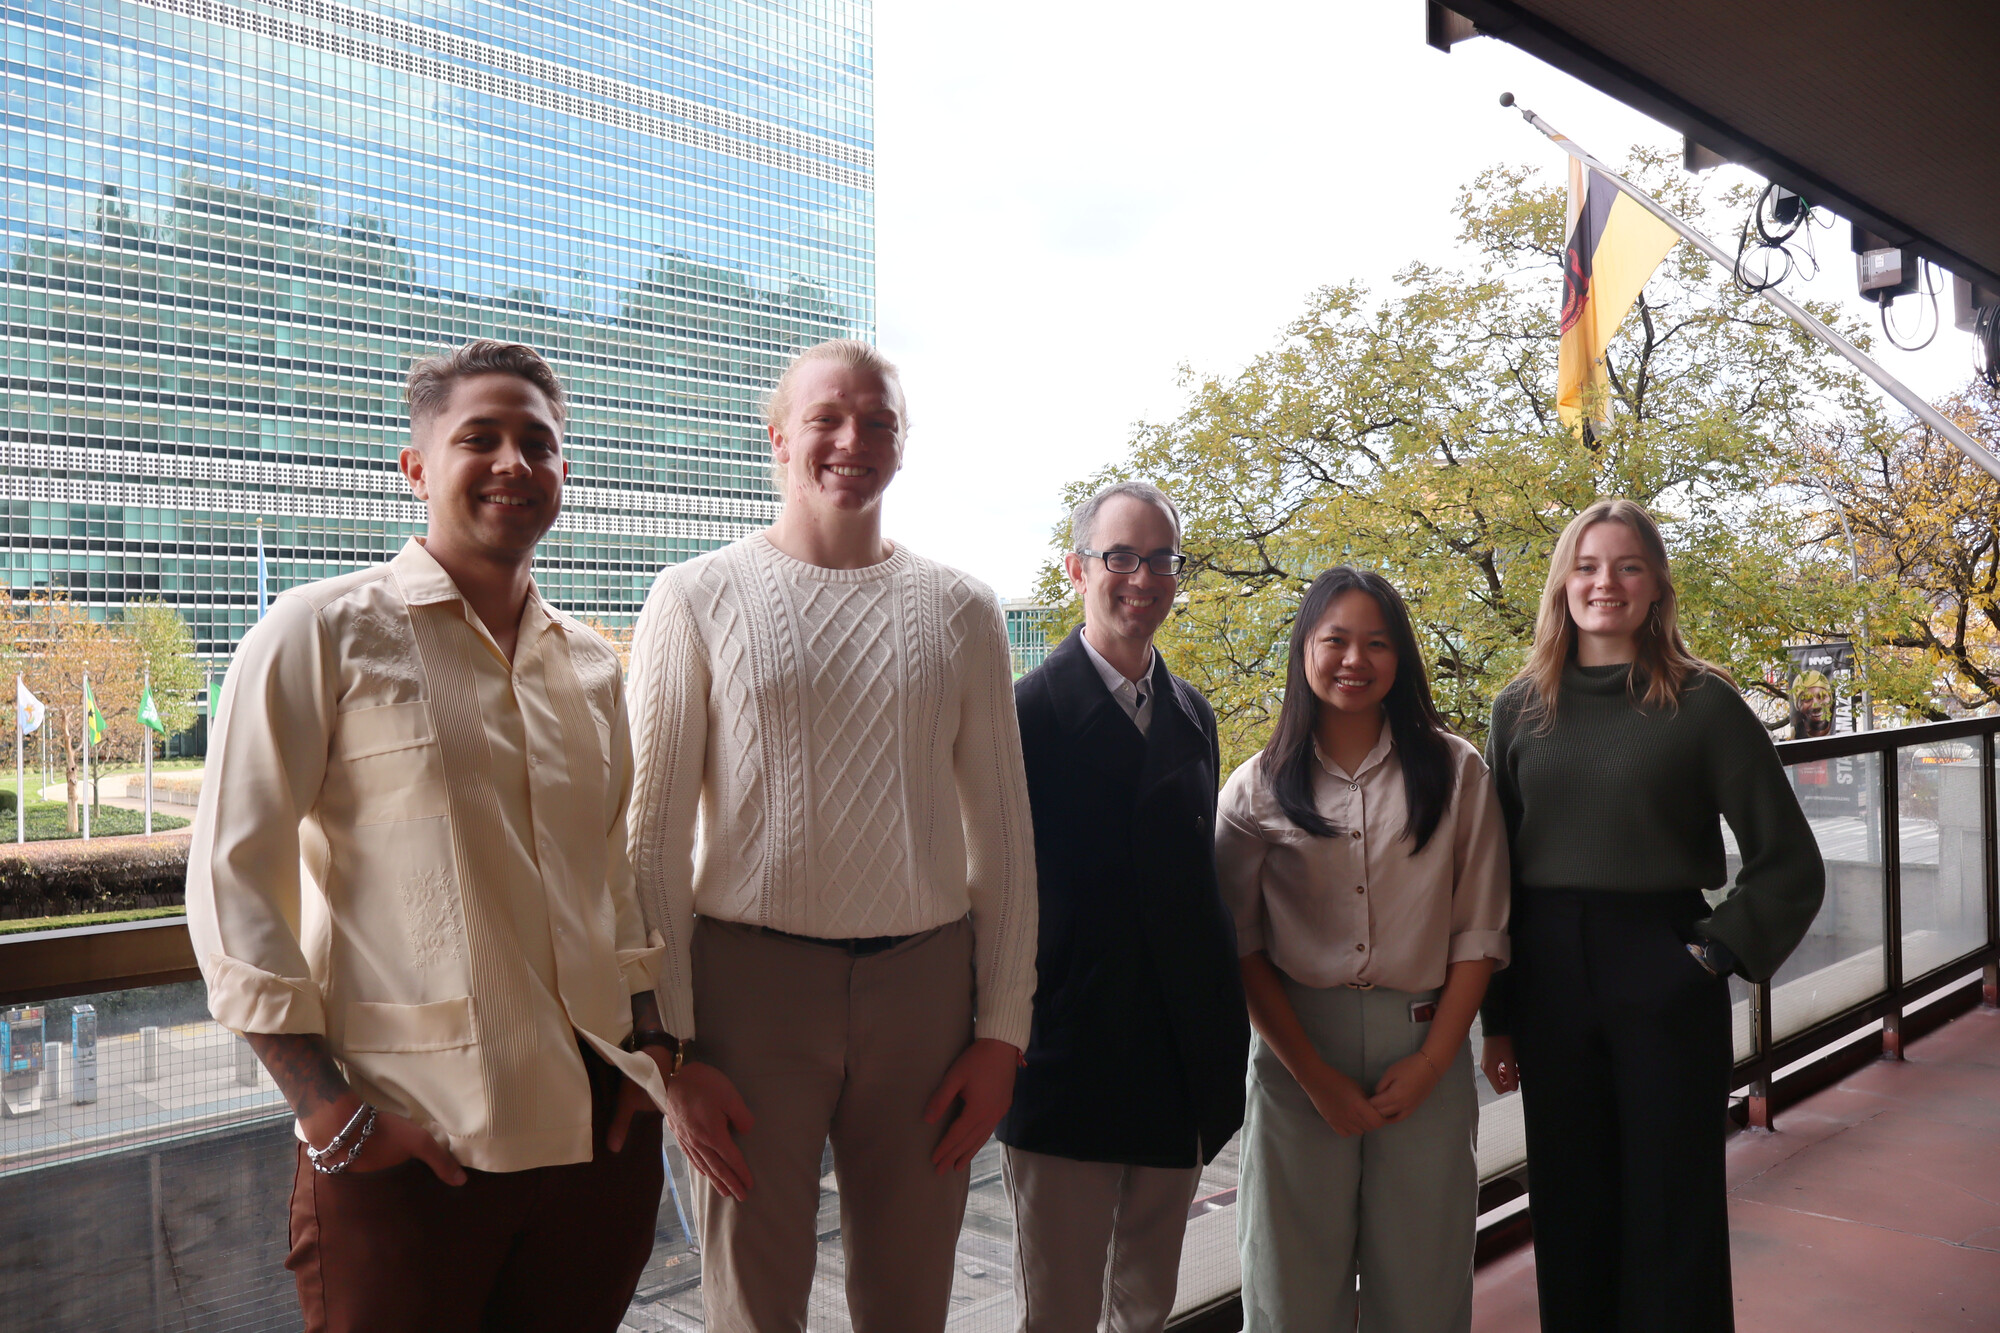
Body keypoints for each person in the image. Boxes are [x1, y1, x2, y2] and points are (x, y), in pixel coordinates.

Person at [186, 340, 674, 1333]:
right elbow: (235, 883)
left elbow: (610, 875)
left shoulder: (589, 665)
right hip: (414, 1139)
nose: (512, 463)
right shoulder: (317, 630)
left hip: (596, 1143)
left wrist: (651, 1053)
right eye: (478, 438)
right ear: (416, 467)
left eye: (536, 442)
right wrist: (326, 1110)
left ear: (563, 472)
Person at [626, 339, 1038, 1332]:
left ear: (901, 447)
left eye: (879, 422)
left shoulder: (962, 610)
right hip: (745, 996)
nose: (854, 439)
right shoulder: (694, 595)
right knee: (751, 1303)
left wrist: (1002, 1034)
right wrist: (669, 1052)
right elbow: (648, 840)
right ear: (778, 437)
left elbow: (1006, 842)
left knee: (908, 1298)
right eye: (828, 418)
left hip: (925, 993)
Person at [1479, 498, 1826, 1333]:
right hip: (1548, 976)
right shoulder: (1518, 708)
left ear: (1656, 584)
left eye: (1628, 565)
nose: (1607, 583)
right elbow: (1491, 880)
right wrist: (1499, 1018)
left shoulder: (1703, 703)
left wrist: (1708, 957)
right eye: (1589, 565)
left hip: (1665, 967)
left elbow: (1790, 864)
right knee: (1568, 1203)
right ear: (1563, 582)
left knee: (1675, 1207)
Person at [1215, 565, 1509, 1333]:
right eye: (1335, 639)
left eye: (1376, 643)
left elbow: (1478, 934)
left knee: (1423, 1278)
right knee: (1289, 1283)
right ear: (1303, 652)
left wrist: (1434, 1060)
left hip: (1424, 1041)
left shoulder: (1455, 770)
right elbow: (1241, 947)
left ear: (1401, 657)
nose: (1355, 659)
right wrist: (1312, 1075)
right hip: (1294, 1054)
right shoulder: (1254, 789)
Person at [997, 482, 1250, 1333]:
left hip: (1171, 1063)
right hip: (1062, 1058)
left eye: (1160, 559)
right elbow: (990, 895)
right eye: (1120, 556)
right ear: (1077, 569)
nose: (1141, 577)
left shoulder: (1193, 715)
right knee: (1061, 1312)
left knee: (1146, 1305)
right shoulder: (1019, 717)